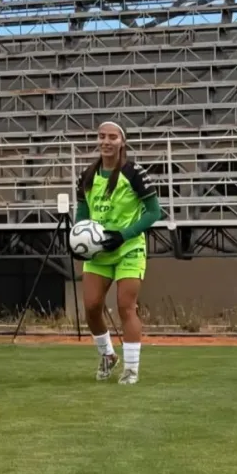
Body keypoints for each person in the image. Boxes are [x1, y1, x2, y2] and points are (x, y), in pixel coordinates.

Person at [75, 121, 162, 385]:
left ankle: (131, 369)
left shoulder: (133, 172)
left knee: (126, 306)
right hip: (98, 251)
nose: (106, 141)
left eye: (112, 137)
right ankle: (108, 355)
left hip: (128, 247)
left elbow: (154, 212)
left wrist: (124, 235)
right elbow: (82, 215)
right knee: (91, 308)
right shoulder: (88, 175)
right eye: (102, 136)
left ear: (122, 141)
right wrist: (78, 241)